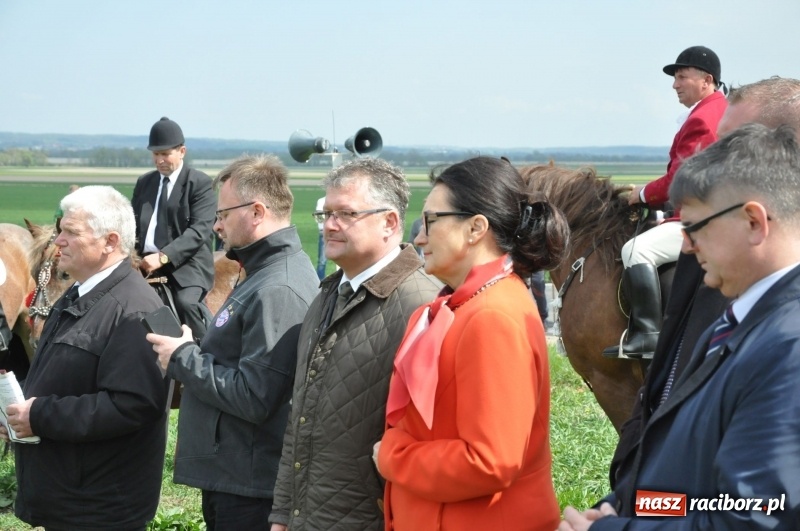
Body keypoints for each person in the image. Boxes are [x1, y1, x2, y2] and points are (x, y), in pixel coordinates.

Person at [562, 124, 800, 530]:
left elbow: (755, 516)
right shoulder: (742, 320)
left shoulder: (788, 344)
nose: (686, 246)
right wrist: (622, 507)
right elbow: (695, 490)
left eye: (693, 227)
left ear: (753, 222)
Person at [609, 76, 800, 497]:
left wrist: (625, 523)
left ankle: (640, 330)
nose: (717, 157)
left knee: (637, 251)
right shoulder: (716, 260)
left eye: (733, 147)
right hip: (656, 506)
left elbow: (755, 509)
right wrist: (625, 501)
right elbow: (662, 392)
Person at [375, 156, 570, 530]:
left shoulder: (491, 316)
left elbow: (489, 460)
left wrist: (392, 456)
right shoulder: (470, 305)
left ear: (476, 228)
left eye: (430, 221)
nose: (419, 237)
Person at [146, 155, 319, 530]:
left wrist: (182, 357)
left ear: (256, 212)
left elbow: (255, 396)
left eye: (223, 214)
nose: (216, 225)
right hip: (236, 475)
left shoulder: (278, 287)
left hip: (250, 489)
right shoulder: (262, 271)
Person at [269, 158, 441, 530]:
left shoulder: (423, 305)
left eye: (347, 213)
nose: (330, 225)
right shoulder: (326, 297)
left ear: (389, 222)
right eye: (326, 213)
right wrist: (282, 514)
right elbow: (299, 421)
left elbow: (432, 440)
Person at [1, 186, 169, 530]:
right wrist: (18, 415)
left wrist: (40, 416)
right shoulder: (78, 293)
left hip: (99, 506)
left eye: (71, 232)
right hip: (71, 496)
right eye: (60, 229)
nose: (58, 241)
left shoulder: (134, 309)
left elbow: (133, 405)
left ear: (110, 242)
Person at [604, 45, 728, 359]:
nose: (675, 85)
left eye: (682, 77)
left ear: (706, 80)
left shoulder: (703, 118)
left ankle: (647, 335)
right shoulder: (720, 109)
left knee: (635, 250)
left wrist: (642, 194)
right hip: (712, 210)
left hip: (705, 219)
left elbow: (680, 180)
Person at [132, 116, 216, 342]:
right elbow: (133, 223)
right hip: (144, 262)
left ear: (182, 152)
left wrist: (163, 257)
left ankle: (204, 349)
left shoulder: (199, 183)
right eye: (155, 154)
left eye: (165, 154)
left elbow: (199, 230)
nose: (159, 160)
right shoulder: (144, 183)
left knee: (186, 303)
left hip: (187, 265)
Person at [315, 196, 327, 278]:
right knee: (322, 261)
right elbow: (319, 218)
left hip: (339, 231)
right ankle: (320, 281)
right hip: (324, 232)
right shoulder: (321, 201)